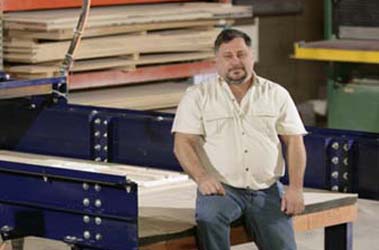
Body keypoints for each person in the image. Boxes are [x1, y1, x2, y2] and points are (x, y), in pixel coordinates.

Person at [172, 28, 307, 250]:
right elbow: (182, 143)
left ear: (252, 56)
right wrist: (202, 177)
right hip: (222, 189)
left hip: (267, 190)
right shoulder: (198, 96)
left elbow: (294, 142)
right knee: (209, 218)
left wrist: (296, 188)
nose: (236, 62)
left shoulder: (276, 94)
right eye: (228, 56)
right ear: (217, 61)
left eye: (241, 54)